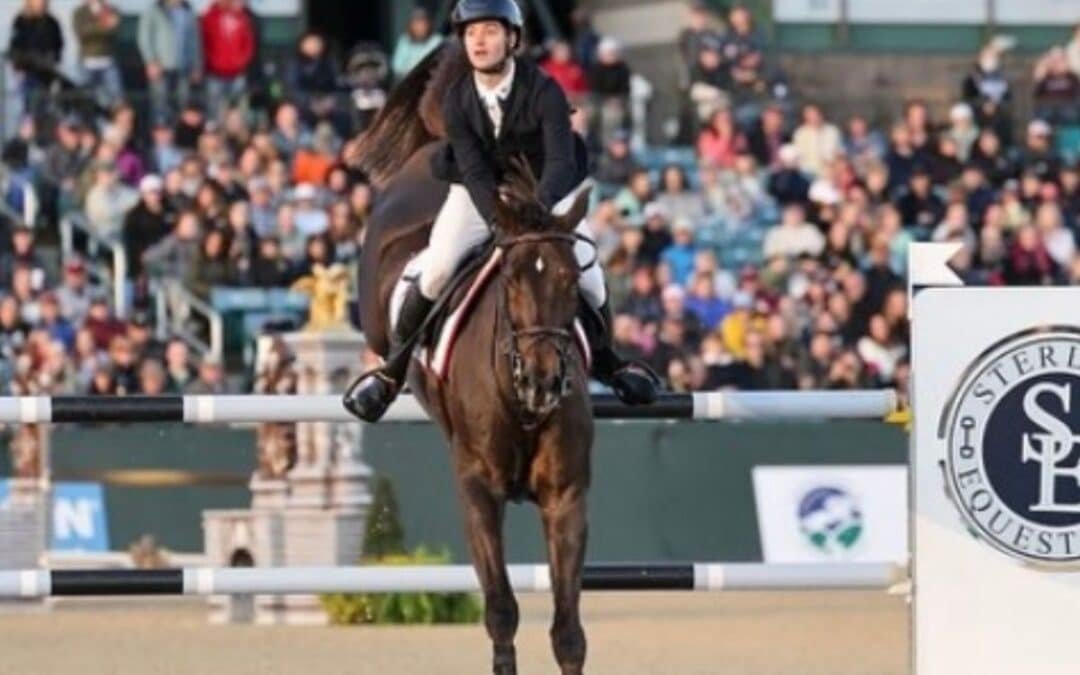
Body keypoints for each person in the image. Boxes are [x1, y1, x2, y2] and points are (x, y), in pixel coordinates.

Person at [344, 0, 659, 422]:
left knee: (587, 268)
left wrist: (536, 213)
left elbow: (562, 162)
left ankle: (609, 362)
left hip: (545, 186)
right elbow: (473, 170)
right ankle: (392, 371)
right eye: (471, 33)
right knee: (437, 267)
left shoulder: (544, 90)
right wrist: (498, 219)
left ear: (511, 39)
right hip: (483, 193)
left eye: (489, 31)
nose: (479, 41)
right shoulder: (457, 100)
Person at [138, 0, 203, 119]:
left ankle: (179, 134)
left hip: (184, 68)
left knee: (183, 105)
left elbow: (194, 40)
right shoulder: (154, 10)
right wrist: (151, 61)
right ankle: (161, 136)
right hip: (161, 68)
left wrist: (196, 65)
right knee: (159, 106)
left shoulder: (188, 10)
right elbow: (144, 37)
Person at [201, 0, 257, 121]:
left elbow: (248, 43)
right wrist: (212, 62)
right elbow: (203, 43)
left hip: (237, 73)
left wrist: (241, 62)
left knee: (239, 111)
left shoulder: (241, 17)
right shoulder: (209, 17)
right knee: (214, 110)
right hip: (214, 73)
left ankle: (238, 137)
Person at [8, 0, 64, 115]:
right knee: (28, 108)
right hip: (27, 72)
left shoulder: (52, 22)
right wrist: (19, 67)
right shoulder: (21, 21)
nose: (41, 3)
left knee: (45, 108)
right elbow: (15, 46)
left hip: (47, 72)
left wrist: (54, 59)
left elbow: (58, 44)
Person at [73, 0, 123, 103]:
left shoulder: (112, 10)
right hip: (86, 63)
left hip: (109, 62)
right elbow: (82, 33)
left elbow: (114, 31)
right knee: (86, 99)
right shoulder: (79, 12)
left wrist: (94, 26)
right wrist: (104, 25)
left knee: (116, 99)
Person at [391, 8, 443, 82]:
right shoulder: (404, 41)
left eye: (422, 24)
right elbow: (397, 67)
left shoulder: (437, 41)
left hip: (431, 82)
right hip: (408, 83)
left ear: (428, 24)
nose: (419, 28)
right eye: (416, 23)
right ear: (410, 25)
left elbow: (441, 66)